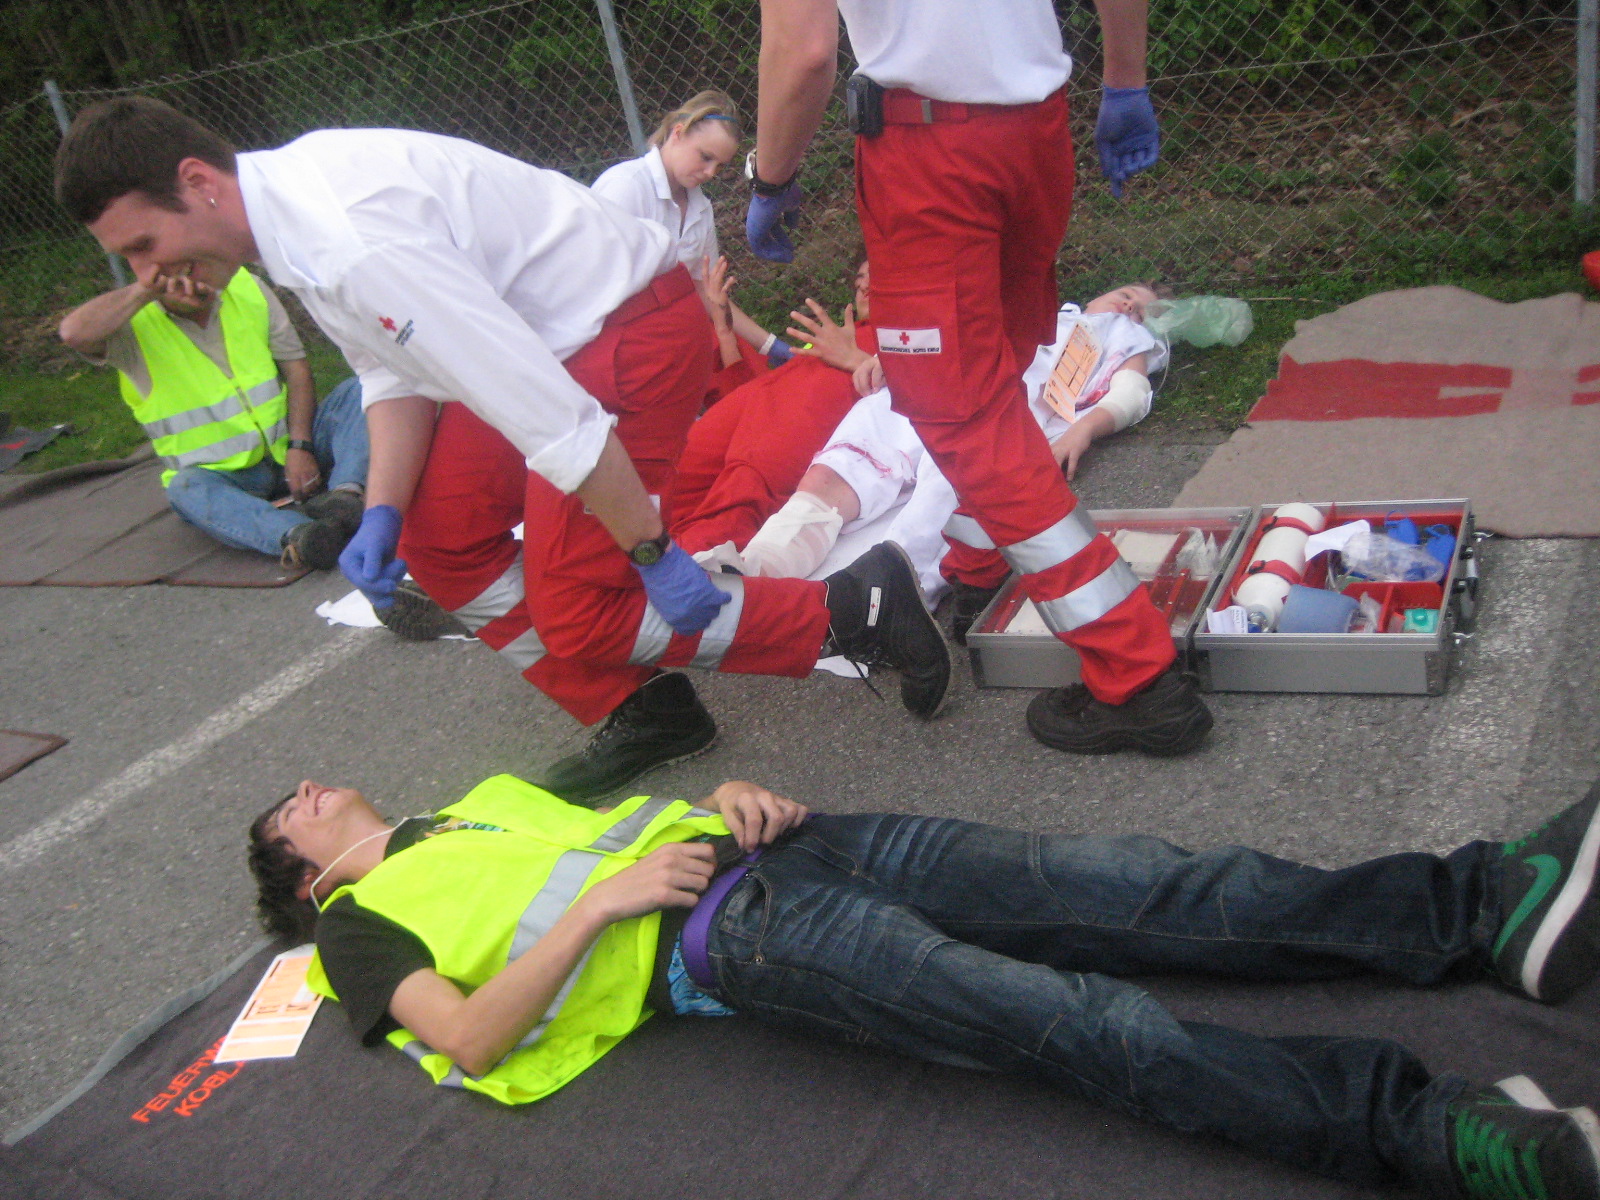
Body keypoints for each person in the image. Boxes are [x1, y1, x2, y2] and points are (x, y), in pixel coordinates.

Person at [55, 96, 951, 802]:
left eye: (144, 244)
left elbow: (553, 422)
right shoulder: (290, 216)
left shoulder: (349, 239)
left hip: (629, 334)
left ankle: (852, 610)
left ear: (198, 182)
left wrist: (648, 550)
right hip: (558, 346)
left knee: (583, 612)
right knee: (437, 539)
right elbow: (390, 372)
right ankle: (644, 710)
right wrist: (383, 511)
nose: (147, 274)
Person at [248, 773, 1600, 1199]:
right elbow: (471, 1039)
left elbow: (619, 836)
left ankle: (1483, 911)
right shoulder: (353, 930)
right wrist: (604, 907)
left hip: (788, 847)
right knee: (1074, 1021)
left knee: (1140, 883)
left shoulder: (470, 804)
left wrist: (726, 794)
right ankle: (1432, 1135)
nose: (307, 789)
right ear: (304, 882)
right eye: (287, 814)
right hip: (740, 942)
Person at [747, 0, 1213, 759]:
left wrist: (770, 177)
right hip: (1034, 130)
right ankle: (977, 569)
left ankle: (1137, 676)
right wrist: (1125, 80)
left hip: (930, 158)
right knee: (1000, 372)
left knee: (960, 413)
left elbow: (802, 52)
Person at [732, 284, 1169, 615]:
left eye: (1142, 311)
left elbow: (1130, 392)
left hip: (1004, 403)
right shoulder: (1044, 310)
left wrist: (1083, 431)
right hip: (940, 379)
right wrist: (896, 358)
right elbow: (957, 328)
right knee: (850, 457)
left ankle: (874, 602)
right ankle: (759, 568)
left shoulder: (1124, 335)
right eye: (1127, 296)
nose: (1130, 308)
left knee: (943, 491)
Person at [57, 264, 368, 569]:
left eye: (195, 270)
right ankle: (300, 537)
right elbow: (74, 333)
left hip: (289, 446)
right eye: (178, 279)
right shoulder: (132, 327)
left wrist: (300, 446)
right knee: (185, 488)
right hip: (225, 477)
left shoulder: (246, 287)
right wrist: (144, 290)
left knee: (359, 390)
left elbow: (296, 368)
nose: (193, 287)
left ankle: (345, 499)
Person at [668, 250, 876, 561]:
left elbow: (930, 395)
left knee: (734, 509)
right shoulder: (836, 337)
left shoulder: (910, 337)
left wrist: (858, 360)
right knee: (662, 486)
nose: (864, 287)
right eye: (860, 280)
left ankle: (670, 584)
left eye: (877, 277)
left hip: (783, 430)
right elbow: (759, 392)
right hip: (753, 412)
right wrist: (724, 330)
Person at [591, 91, 793, 372]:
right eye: (705, 157)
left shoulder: (700, 207)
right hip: (617, 345)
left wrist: (770, 345)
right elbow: (595, 283)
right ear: (678, 133)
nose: (710, 172)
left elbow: (706, 291)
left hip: (673, 337)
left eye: (719, 165)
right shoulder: (626, 187)